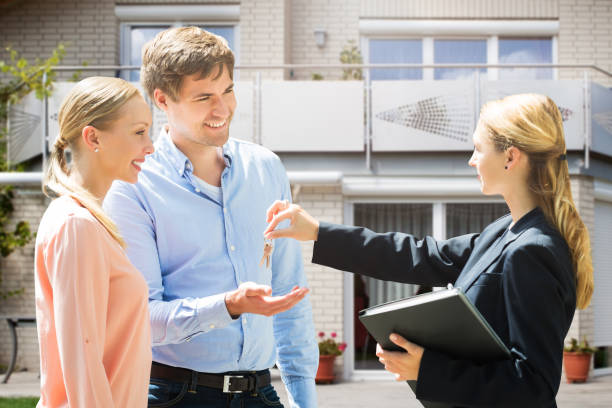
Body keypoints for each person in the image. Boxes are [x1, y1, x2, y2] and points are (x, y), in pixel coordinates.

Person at [264, 93, 594, 407]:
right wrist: (319, 233)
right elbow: (421, 255)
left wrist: (428, 370)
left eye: (478, 149)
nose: (471, 160)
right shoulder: (505, 231)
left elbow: (534, 385)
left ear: (511, 157)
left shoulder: (532, 250)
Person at [103, 27, 317, 408]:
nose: (222, 110)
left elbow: (290, 296)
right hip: (176, 396)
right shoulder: (132, 185)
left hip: (261, 395)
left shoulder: (266, 169)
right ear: (162, 100)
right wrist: (229, 306)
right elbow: (142, 319)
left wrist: (304, 400)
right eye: (204, 97)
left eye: (228, 91)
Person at [34, 76, 154, 407]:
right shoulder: (76, 226)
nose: (151, 146)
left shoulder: (88, 222)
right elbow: (83, 364)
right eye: (139, 132)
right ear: (93, 137)